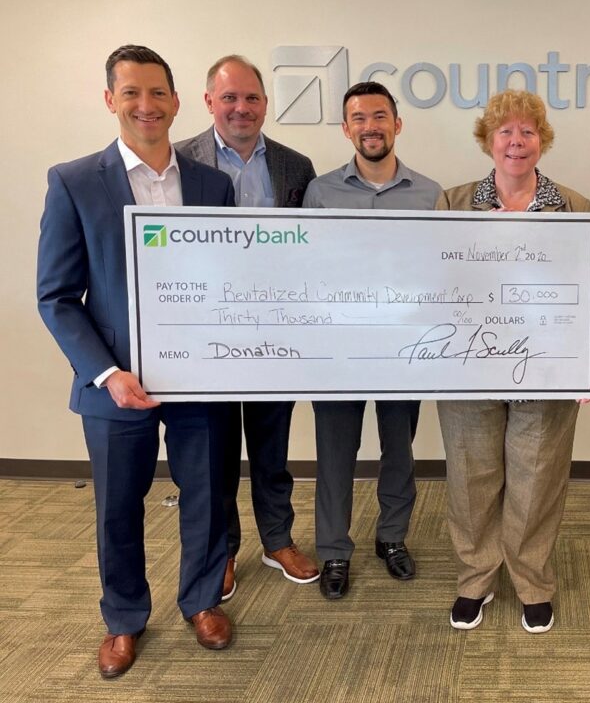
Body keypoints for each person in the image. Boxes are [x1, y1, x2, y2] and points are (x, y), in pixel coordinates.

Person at [37, 45, 235, 679]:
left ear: (177, 102)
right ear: (110, 101)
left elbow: (233, 282)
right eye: (131, 94)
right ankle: (124, 619)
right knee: (118, 506)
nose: (146, 106)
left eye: (157, 94)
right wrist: (106, 373)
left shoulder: (213, 185)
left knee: (206, 494)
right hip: (116, 385)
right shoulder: (73, 181)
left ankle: (202, 600)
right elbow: (58, 297)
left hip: (199, 379)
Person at [437, 89, 590, 634]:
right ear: (488, 141)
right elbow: (432, 282)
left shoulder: (575, 207)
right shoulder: (454, 202)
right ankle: (475, 578)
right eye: (505, 132)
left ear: (542, 141)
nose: (516, 141)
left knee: (537, 477)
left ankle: (532, 580)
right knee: (472, 475)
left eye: (528, 132)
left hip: (546, 369)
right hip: (469, 369)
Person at [176, 55, 319, 601]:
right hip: (202, 335)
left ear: (265, 103)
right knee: (212, 454)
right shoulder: (178, 159)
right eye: (229, 98)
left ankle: (277, 539)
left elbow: (309, 248)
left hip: (273, 334)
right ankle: (224, 550)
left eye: (252, 98)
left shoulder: (294, 165)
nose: (241, 108)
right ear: (209, 102)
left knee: (271, 445)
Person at [303, 81, 441, 599]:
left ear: (398, 124)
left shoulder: (432, 194)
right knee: (334, 453)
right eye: (358, 118)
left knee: (398, 449)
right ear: (346, 129)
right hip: (338, 348)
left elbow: (440, 272)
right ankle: (334, 550)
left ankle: (392, 538)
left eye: (379, 116)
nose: (370, 127)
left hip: (405, 348)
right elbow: (307, 270)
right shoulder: (320, 192)